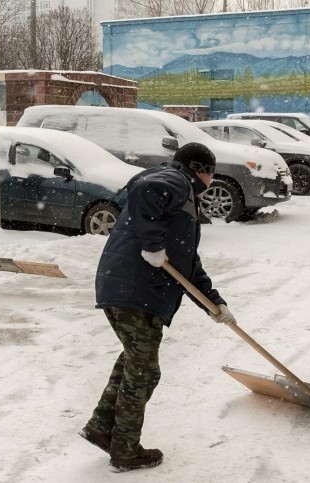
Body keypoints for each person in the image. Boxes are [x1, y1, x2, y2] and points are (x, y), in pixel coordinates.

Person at [79, 142, 238, 473]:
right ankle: (124, 450)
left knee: (133, 362)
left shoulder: (183, 201)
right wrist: (152, 245)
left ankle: (100, 426)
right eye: (211, 173)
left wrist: (214, 303)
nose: (211, 181)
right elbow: (146, 188)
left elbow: (186, 264)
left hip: (133, 288)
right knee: (144, 370)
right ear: (201, 171)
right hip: (133, 289)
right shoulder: (176, 180)